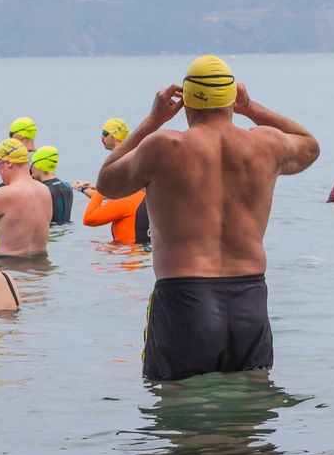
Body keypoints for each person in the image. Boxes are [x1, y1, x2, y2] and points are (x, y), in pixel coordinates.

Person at [95, 54, 319, 381]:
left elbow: (107, 182)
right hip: (250, 298)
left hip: (185, 297)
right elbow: (310, 146)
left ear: (185, 102)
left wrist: (153, 119)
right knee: (251, 412)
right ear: (231, 99)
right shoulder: (266, 144)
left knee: (182, 415)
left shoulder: (162, 146)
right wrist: (251, 107)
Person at [75, 119, 149, 244]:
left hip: (127, 251)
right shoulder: (133, 154)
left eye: (105, 133)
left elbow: (90, 218)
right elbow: (116, 200)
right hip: (141, 207)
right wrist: (88, 189)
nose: (101, 137)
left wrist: (100, 187)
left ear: (115, 136)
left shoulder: (119, 159)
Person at [30, 146, 73, 224]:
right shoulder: (67, 187)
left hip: (50, 234)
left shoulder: (40, 191)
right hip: (66, 232)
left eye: (32, 165)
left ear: (37, 166)